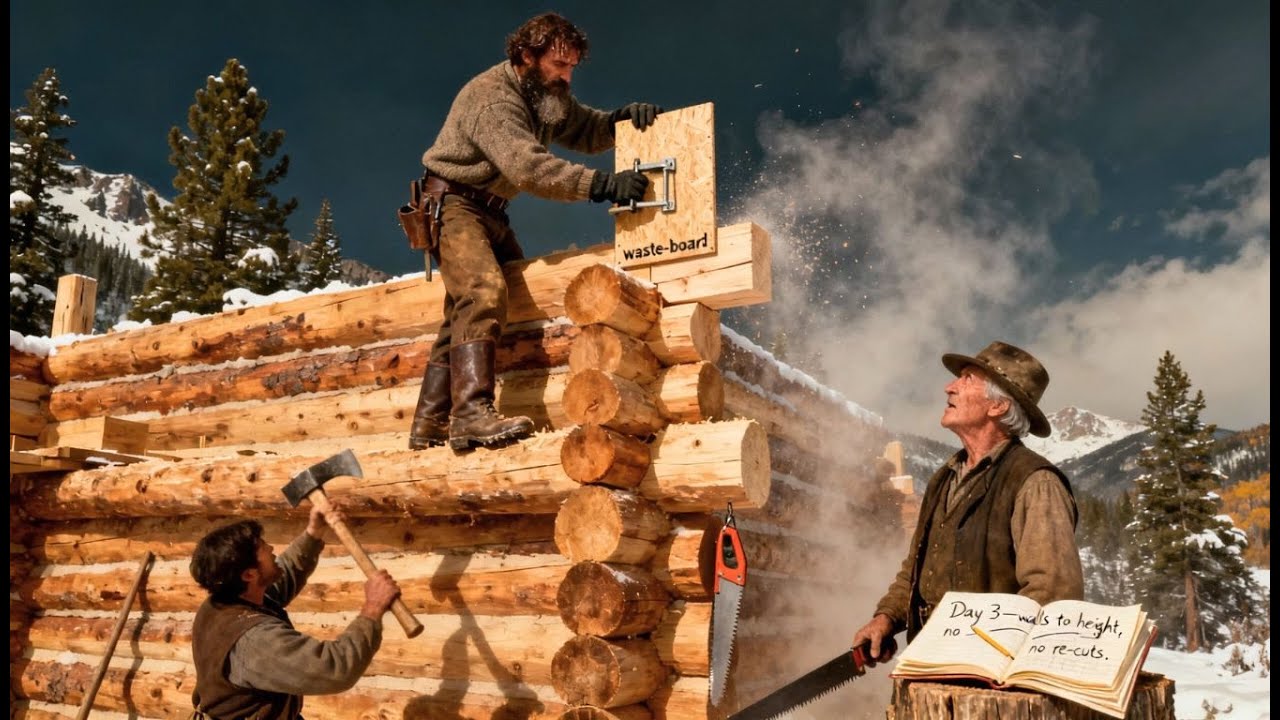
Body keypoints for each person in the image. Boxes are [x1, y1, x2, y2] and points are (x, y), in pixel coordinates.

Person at [408, 11, 662, 452]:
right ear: (527, 55)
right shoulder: (493, 98)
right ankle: (469, 416)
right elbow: (527, 167)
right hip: (454, 205)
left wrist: (622, 120)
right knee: (484, 293)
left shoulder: (545, 95)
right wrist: (600, 185)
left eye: (572, 68)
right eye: (559, 65)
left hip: (491, 209)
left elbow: (585, 128)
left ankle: (429, 424)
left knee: (481, 309)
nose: (566, 76)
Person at [852, 341, 1084, 661]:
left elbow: (1052, 595)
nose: (950, 387)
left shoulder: (1035, 482)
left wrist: (991, 657)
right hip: (933, 665)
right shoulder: (944, 478)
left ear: (998, 406)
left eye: (967, 379)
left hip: (991, 682)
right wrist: (886, 618)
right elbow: (917, 568)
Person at [189, 507, 401, 719]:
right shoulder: (255, 640)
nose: (271, 548)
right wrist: (372, 608)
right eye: (263, 547)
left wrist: (313, 532)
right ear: (249, 574)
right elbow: (333, 668)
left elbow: (281, 578)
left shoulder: (224, 602)